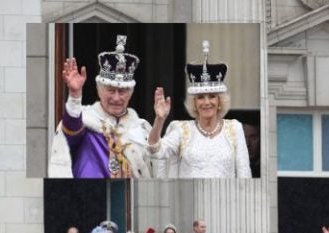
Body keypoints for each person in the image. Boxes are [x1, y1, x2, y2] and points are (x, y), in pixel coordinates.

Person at [50, 35, 152, 178]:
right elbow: (71, 130)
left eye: (122, 91)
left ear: (130, 94)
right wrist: (75, 95)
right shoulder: (87, 120)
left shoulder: (142, 129)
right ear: (99, 91)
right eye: (110, 90)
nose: (116, 98)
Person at [147, 40, 251, 178]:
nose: (206, 102)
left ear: (219, 101)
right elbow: (155, 151)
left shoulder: (234, 128)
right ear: (194, 103)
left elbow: (244, 174)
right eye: (200, 97)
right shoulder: (181, 129)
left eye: (212, 96)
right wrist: (159, 119)